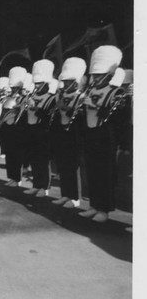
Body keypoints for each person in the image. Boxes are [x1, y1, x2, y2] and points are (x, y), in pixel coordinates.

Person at [79, 45, 124, 223]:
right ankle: (94, 205)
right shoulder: (90, 90)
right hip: (91, 134)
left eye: (99, 75)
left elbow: (117, 116)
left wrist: (95, 106)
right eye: (94, 75)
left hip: (105, 136)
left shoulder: (116, 91)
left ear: (108, 75)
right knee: (92, 171)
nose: (95, 78)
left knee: (104, 173)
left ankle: (104, 209)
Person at [50, 57, 87, 208]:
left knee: (72, 166)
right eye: (64, 82)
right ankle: (65, 194)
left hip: (73, 134)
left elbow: (80, 116)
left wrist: (65, 110)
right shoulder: (61, 95)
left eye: (68, 82)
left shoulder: (81, 96)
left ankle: (75, 197)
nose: (65, 84)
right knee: (63, 165)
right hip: (62, 133)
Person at [23, 59, 56, 197]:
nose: (36, 87)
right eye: (35, 84)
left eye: (39, 84)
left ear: (46, 83)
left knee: (43, 160)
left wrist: (35, 108)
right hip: (31, 130)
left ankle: (45, 187)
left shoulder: (51, 98)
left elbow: (49, 116)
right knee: (33, 159)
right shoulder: (31, 96)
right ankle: (36, 185)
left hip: (42, 132)